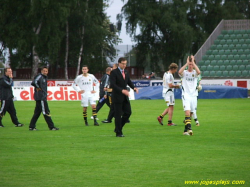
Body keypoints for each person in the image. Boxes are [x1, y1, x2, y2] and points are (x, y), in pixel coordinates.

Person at [110, 57, 138, 137]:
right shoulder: (114, 72)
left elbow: (128, 81)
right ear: (119, 63)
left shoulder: (126, 72)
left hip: (125, 96)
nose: (124, 65)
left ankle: (118, 127)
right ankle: (119, 133)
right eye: (123, 63)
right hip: (117, 96)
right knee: (118, 115)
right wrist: (122, 90)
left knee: (128, 112)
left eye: (125, 64)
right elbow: (113, 85)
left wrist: (134, 87)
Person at [179, 55, 201, 136]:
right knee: (187, 112)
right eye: (189, 64)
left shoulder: (195, 73)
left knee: (191, 113)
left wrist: (193, 62)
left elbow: (199, 72)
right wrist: (186, 63)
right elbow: (179, 72)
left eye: (192, 64)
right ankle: (190, 129)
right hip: (186, 95)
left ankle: (185, 131)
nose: (190, 66)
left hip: (194, 96)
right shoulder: (185, 73)